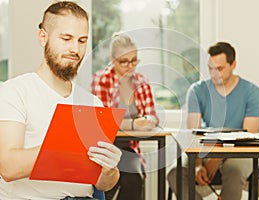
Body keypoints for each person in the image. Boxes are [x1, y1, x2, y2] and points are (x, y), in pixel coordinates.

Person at [0, 1, 121, 199]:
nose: (75, 49)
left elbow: (103, 184)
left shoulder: (92, 104)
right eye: (66, 38)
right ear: (43, 37)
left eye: (82, 41)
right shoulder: (15, 92)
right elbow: (8, 167)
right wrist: (63, 146)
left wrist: (109, 170)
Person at [167, 42, 259, 200]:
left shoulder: (251, 92)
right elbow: (193, 135)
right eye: (210, 68)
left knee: (234, 170)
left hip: (238, 153)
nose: (214, 74)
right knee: (174, 173)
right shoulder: (197, 91)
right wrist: (198, 165)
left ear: (233, 65)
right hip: (205, 150)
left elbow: (248, 136)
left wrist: (217, 158)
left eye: (220, 68)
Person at [91, 33, 159, 200]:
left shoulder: (141, 81)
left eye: (134, 60)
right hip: (106, 146)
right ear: (112, 59)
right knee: (109, 183)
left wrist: (149, 121)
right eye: (124, 61)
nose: (130, 66)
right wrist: (135, 124)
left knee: (134, 179)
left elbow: (153, 116)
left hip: (129, 148)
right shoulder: (101, 80)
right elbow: (103, 119)